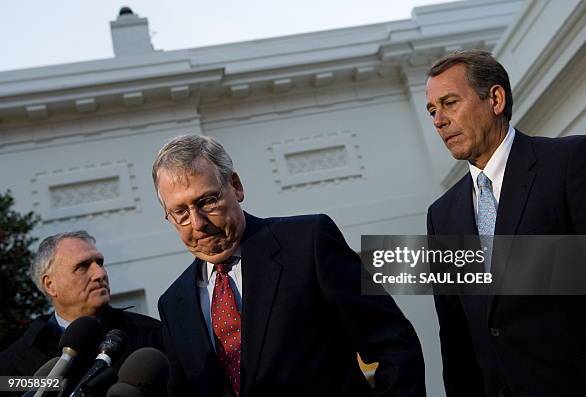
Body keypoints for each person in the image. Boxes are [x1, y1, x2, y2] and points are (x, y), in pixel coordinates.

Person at [153, 135, 426, 397]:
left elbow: (394, 345)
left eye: (206, 201)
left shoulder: (308, 242)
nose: (198, 222)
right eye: (181, 213)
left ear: (235, 186)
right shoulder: (173, 304)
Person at [425, 49, 586, 396]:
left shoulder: (571, 163)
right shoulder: (442, 215)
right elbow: (456, 337)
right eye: (432, 110)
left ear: (495, 99)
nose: (439, 120)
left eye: (450, 103)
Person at [0, 231, 164, 382]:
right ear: (50, 285)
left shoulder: (153, 335)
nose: (100, 274)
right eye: (82, 266)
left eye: (100, 263)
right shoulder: (13, 366)